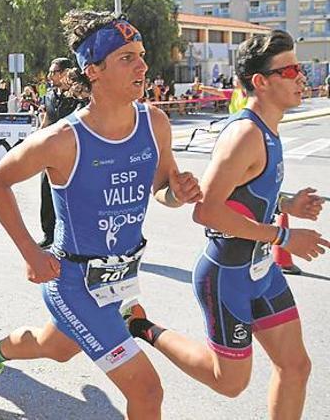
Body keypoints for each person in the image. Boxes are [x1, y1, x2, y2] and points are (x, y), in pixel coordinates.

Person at [0, 11, 202, 418]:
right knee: (147, 391)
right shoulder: (63, 139)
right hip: (72, 282)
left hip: (119, 280)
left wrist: (178, 193)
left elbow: (161, 189)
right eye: (127, 58)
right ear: (93, 70)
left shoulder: (155, 123)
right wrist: (30, 253)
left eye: (141, 54)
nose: (143, 65)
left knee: (56, 348)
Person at [123, 30, 327, 419]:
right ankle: (142, 326)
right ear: (261, 82)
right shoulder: (245, 134)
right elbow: (208, 212)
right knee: (229, 383)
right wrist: (285, 235)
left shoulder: (269, 128)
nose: (303, 77)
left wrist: (288, 203)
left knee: (296, 367)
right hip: (227, 275)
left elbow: (244, 194)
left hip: (261, 270)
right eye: (292, 70)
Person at [36, 57, 79, 248]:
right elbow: (47, 119)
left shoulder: (77, 96)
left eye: (53, 72)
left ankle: (74, 236)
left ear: (63, 73)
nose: (49, 76)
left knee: (74, 196)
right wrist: (36, 140)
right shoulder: (50, 95)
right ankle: (49, 234)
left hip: (73, 154)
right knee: (46, 192)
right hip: (50, 153)